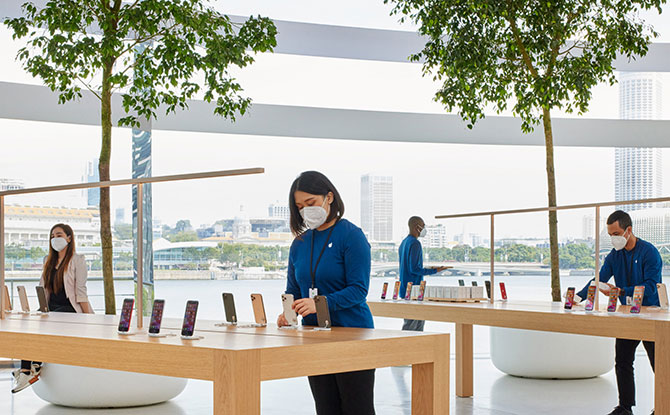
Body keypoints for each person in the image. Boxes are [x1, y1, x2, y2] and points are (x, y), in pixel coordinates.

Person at [277, 171, 375, 415]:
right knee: (326, 408)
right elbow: (292, 289)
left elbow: (359, 290)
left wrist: (319, 304)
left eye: (310, 203)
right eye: (299, 206)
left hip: (353, 334)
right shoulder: (299, 243)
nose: (305, 210)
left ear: (328, 197)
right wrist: (288, 313)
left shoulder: (352, 236)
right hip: (315, 337)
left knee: (357, 409)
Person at [574, 211, 662, 415]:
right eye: (610, 234)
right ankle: (625, 407)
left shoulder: (649, 252)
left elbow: (650, 286)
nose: (613, 238)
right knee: (622, 361)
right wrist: (578, 298)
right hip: (627, 314)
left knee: (659, 363)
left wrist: (621, 291)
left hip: (651, 314)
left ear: (628, 230)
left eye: (616, 233)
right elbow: (599, 279)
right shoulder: (615, 256)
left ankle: (665, 406)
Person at [12, 223, 94, 393]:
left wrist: (90, 318)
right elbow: (42, 287)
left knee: (45, 324)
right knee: (29, 325)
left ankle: (28, 370)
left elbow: (81, 292)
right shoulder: (47, 261)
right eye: (52, 236)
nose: (55, 239)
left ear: (69, 238)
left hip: (69, 310)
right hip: (51, 309)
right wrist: (40, 309)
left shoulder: (78, 260)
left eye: (59, 235)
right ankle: (30, 368)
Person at [398, 216, 448, 331]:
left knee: (411, 323)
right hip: (414, 290)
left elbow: (409, 266)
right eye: (423, 226)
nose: (424, 229)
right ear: (417, 227)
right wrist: (435, 270)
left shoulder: (403, 243)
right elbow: (414, 269)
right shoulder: (415, 243)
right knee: (414, 326)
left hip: (405, 289)